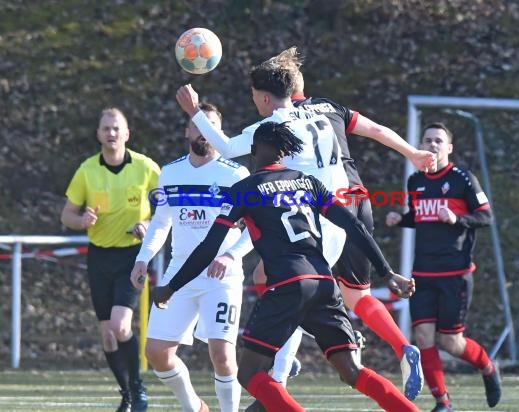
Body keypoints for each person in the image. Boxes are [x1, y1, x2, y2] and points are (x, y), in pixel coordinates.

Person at [152, 121, 420, 412]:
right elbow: (354, 225)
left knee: (250, 372)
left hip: (288, 285)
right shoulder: (308, 182)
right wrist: (386, 271)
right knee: (351, 370)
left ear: (254, 151)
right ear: (285, 152)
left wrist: (171, 286)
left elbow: (208, 247)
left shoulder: (246, 189)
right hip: (324, 283)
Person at [247, 47, 436, 407]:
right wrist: (412, 153)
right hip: (358, 203)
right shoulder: (329, 107)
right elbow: (377, 129)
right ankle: (402, 345)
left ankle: (280, 372)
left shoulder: (282, 121)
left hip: (322, 209)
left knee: (277, 279)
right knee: (355, 295)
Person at [129, 103, 252, 412]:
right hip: (178, 274)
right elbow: (160, 223)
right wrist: (143, 258)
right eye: (198, 124)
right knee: (157, 352)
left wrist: (232, 256)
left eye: (210, 125)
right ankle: (194, 407)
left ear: (220, 132)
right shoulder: (170, 172)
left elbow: (255, 228)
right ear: (187, 131)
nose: (203, 131)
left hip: (220, 277)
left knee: (222, 355)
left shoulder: (236, 174)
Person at [385, 122, 501, 412]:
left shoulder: (463, 179)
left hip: (455, 274)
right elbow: (420, 217)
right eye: (428, 140)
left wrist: (457, 219)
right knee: (423, 336)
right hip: (423, 272)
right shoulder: (415, 181)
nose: (432, 145)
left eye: (438, 140)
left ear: (449, 148)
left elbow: (486, 218)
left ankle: (487, 367)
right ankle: (443, 402)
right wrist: (402, 220)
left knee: (451, 343)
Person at [61, 107, 160, 412]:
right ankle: (127, 393)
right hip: (100, 257)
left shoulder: (146, 168)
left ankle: (138, 388)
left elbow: (167, 208)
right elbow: (67, 215)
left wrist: (149, 222)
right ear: (98, 134)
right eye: (106, 128)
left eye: (117, 128)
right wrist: (82, 221)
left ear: (127, 134)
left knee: (120, 325)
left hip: (133, 255)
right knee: (107, 336)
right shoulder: (87, 170)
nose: (111, 133)